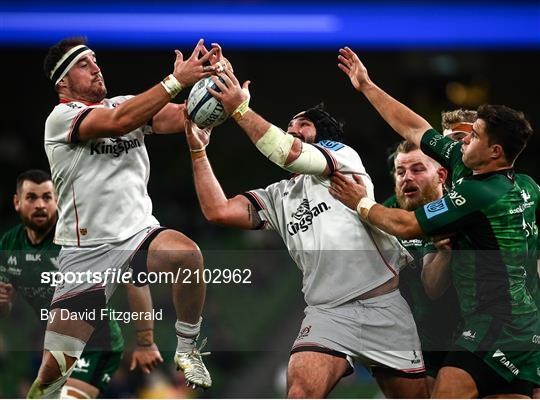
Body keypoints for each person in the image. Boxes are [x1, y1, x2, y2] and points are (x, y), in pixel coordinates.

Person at [184, 67, 430, 398]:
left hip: (382, 305)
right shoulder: (279, 195)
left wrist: (241, 109)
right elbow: (217, 210)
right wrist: (198, 151)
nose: (292, 130)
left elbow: (288, 152)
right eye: (289, 126)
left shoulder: (342, 159)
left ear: (323, 134)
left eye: (303, 124)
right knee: (299, 393)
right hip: (327, 313)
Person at [329, 46, 540, 398]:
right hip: (521, 323)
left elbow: (407, 226)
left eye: (474, 136)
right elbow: (414, 127)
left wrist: (359, 201)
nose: (462, 141)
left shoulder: (479, 194)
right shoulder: (521, 185)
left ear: (495, 153)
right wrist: (366, 85)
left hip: (495, 324)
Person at [29, 36, 222, 397]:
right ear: (63, 83)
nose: (96, 67)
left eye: (95, 60)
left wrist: (220, 92)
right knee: (52, 371)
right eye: (84, 64)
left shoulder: (124, 104)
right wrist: (176, 80)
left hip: (137, 235)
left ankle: (186, 346)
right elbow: (118, 122)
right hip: (85, 252)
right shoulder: (61, 119)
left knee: (188, 255)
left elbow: (182, 115)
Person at [0, 169, 163, 398]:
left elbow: (135, 279)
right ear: (17, 202)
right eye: (31, 197)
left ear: (58, 201)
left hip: (97, 344)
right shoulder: (9, 243)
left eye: (47, 197)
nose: (40, 205)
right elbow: (4, 309)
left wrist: (145, 341)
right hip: (56, 347)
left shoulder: (80, 238)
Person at [382, 141, 461, 393]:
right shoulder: (383, 215)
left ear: (441, 175)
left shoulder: (461, 209)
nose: (407, 178)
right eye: (400, 171)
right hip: (411, 344)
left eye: (417, 169)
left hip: (468, 337)